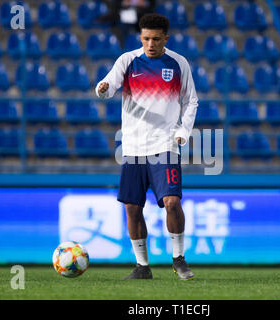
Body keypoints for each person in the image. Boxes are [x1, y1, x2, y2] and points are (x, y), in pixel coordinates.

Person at [95, 13, 198, 280]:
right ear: (140, 37)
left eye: (155, 39)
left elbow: (191, 101)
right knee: (132, 207)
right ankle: (143, 266)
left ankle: (178, 259)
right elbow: (108, 88)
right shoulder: (128, 61)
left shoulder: (178, 63)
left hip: (165, 144)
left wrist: (183, 131)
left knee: (172, 202)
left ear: (166, 38)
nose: (150, 44)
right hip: (133, 146)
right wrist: (103, 88)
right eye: (146, 38)